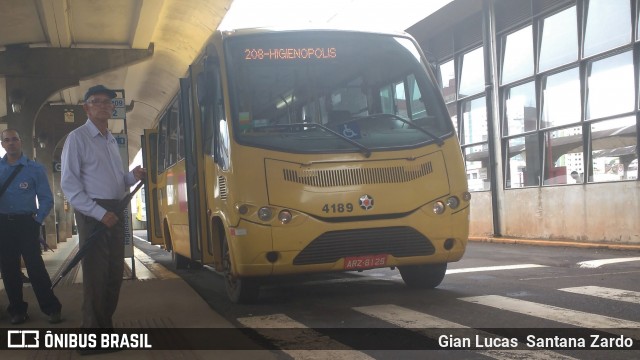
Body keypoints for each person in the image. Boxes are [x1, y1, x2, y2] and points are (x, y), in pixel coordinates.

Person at [61, 85, 146, 329]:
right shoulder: (77, 138)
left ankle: (104, 326)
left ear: (112, 108)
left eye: (107, 102)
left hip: (115, 210)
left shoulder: (110, 139)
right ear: (86, 108)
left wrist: (132, 176)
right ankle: (92, 333)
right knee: (96, 277)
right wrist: (99, 213)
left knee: (113, 273)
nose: (103, 105)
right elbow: (70, 185)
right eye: (96, 101)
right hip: (94, 213)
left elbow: (115, 180)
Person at [0, 129, 62, 324]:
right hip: (3, 224)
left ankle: (51, 308)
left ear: (21, 142)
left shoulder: (34, 169)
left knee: (36, 268)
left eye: (14, 140)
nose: (11, 143)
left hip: (27, 223)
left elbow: (46, 199)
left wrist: (37, 221)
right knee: (9, 269)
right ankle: (17, 311)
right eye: (6, 140)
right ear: (2, 144)